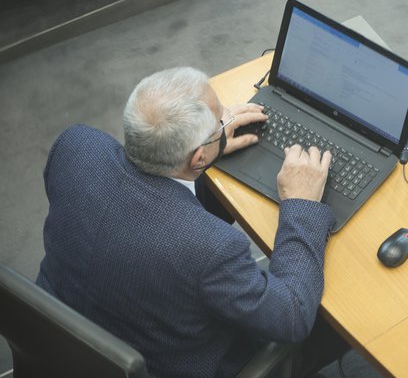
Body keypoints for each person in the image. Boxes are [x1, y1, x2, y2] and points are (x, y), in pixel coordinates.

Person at [36, 67, 346, 377]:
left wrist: (213, 146)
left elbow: (143, 215)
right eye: (219, 121)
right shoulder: (210, 249)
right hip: (184, 363)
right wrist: (300, 205)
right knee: (340, 318)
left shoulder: (76, 147)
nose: (226, 119)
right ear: (197, 158)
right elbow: (291, 316)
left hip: (60, 343)